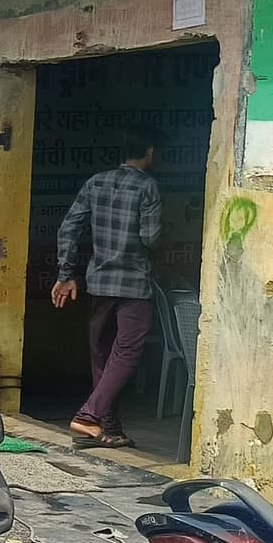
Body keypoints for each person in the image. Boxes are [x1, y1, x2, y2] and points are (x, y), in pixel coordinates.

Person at [51, 132, 163, 448]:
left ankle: (108, 427)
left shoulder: (95, 182)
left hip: (99, 281)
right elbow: (150, 237)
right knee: (126, 352)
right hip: (134, 285)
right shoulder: (148, 187)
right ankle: (89, 416)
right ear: (149, 152)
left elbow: (69, 227)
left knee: (103, 354)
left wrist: (66, 274)